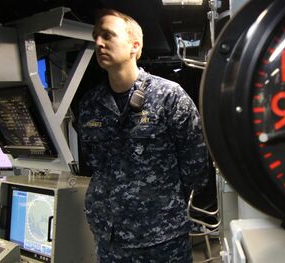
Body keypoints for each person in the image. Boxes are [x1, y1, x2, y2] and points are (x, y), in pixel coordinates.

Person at [77, 8, 209, 262]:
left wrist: (159, 201)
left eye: (107, 35)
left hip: (162, 239)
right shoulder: (90, 104)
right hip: (110, 238)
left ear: (134, 45)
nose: (98, 43)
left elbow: (196, 166)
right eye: (96, 36)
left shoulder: (169, 97)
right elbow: (94, 162)